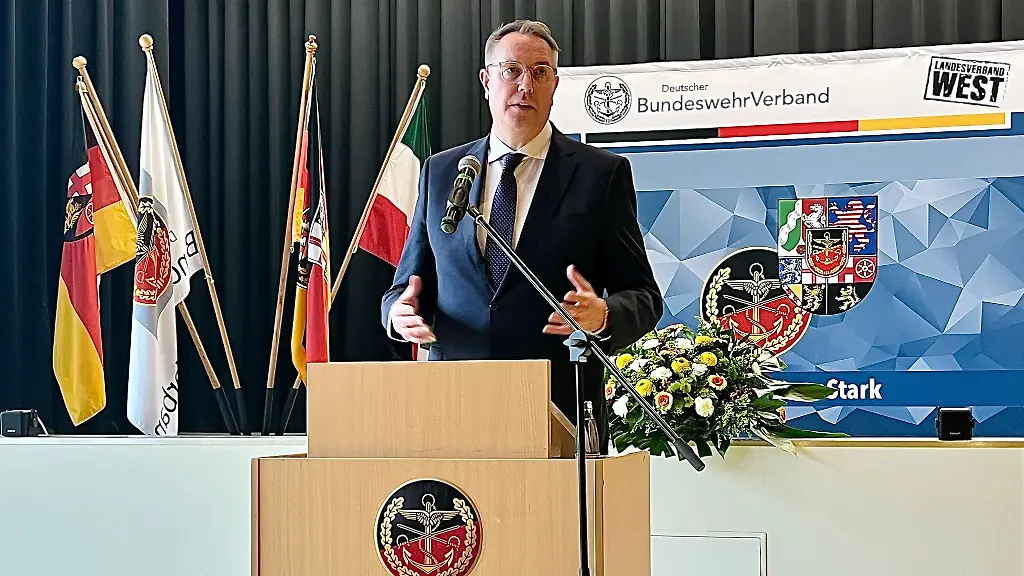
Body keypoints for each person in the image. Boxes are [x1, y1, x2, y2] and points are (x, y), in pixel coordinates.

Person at [380, 19, 661, 452]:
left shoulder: (600, 175)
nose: (525, 85)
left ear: (555, 84)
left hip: (559, 404)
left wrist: (603, 314)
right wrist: (399, 315)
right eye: (511, 70)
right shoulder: (441, 171)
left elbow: (643, 296)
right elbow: (405, 284)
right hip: (453, 402)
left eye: (540, 72)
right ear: (486, 81)